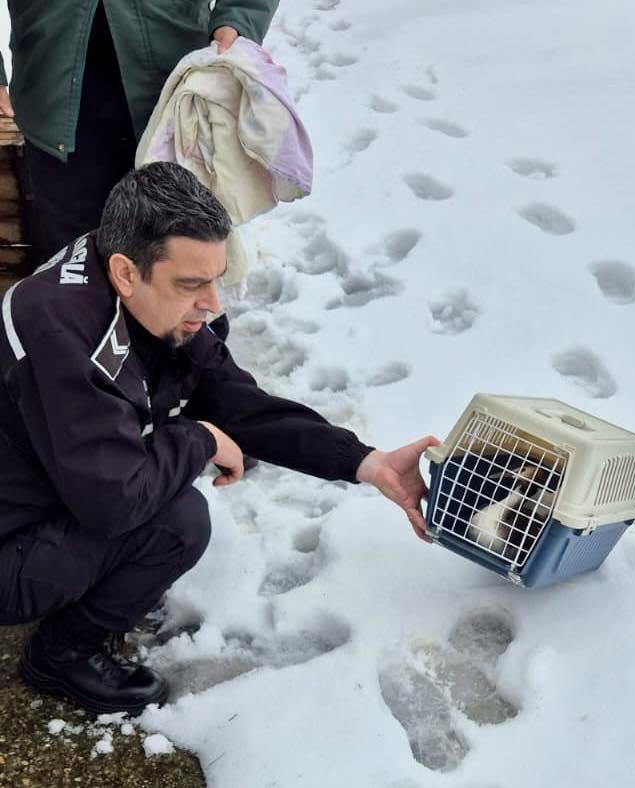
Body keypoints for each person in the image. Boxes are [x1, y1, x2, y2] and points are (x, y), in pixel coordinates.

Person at [0, 162, 438, 715]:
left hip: (44, 487)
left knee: (162, 493)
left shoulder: (126, 269)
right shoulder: (62, 331)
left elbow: (233, 400)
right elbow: (114, 504)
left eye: (217, 279)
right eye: (192, 285)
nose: (214, 304)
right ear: (127, 272)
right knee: (176, 520)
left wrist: (363, 462)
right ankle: (62, 655)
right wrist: (199, 440)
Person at [0, 0, 279, 265]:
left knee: (181, 253)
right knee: (74, 264)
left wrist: (237, 20)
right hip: (51, 90)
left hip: (172, 92)